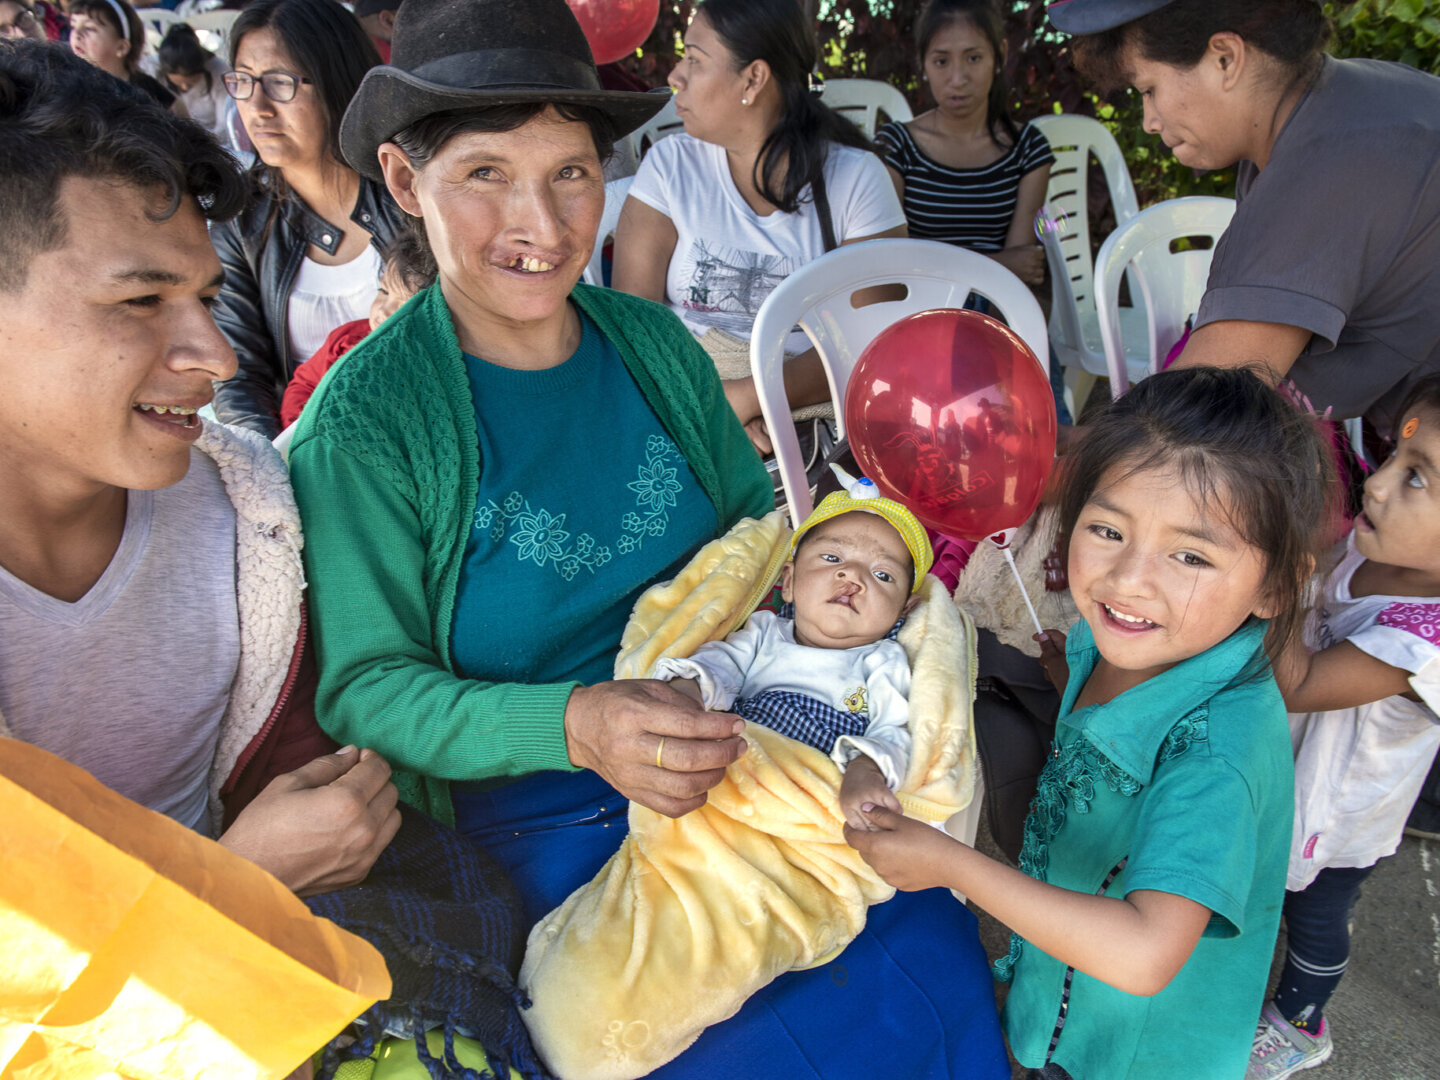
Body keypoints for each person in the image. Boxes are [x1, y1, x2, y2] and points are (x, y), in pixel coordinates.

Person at [287, 0, 1010, 1075]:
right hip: (543, 801)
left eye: (572, 173)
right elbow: (368, 690)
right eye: (485, 174)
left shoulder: (649, 343)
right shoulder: (368, 424)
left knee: (924, 949)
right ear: (404, 183)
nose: (540, 222)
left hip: (761, 738)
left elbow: (757, 542)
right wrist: (578, 725)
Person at [849, 366, 1337, 1080]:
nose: (1128, 578)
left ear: (1274, 586)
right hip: (1068, 987)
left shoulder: (1214, 758)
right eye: (1107, 529)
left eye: (1191, 555)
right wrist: (1065, 677)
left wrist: (950, 863)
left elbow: (1143, 953)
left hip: (1136, 1053)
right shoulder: (1109, 638)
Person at [0, 37, 398, 900]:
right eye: (141, 300)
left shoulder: (247, 519)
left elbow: (298, 790)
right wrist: (233, 885)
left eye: (208, 299)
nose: (217, 358)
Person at [1050, 0, 1440, 437]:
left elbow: (1183, 425)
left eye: (1148, 89)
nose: (1150, 122)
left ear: (1225, 58)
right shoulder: (1355, 97)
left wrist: (1045, 472)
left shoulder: (1318, 175)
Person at [1245, 374, 1440, 1079]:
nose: (1380, 483)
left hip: (1343, 813)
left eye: (1418, 479)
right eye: (1395, 453)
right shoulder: (1382, 549)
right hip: (1294, 770)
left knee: (1316, 913)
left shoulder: (1422, 644)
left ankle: (1302, 1019)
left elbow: (1296, 681)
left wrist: (1282, 581)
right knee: (1265, 881)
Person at [613, 0, 907, 454]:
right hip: (686, 403)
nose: (675, 76)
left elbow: (875, 337)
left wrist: (749, 398)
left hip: (815, 414)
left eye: (694, 59)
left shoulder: (856, 179)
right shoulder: (671, 168)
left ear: (753, 79)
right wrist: (714, 407)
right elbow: (633, 330)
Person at [654, 474, 934, 830]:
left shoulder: (882, 661)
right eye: (832, 557)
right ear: (788, 582)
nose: (852, 575)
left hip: (812, 801)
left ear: (903, 610)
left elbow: (892, 728)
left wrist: (865, 770)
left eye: (882, 575)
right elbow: (721, 663)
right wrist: (688, 689)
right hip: (736, 776)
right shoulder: (764, 633)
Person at [209, 0, 405, 438]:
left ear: (339, 82)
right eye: (242, 81)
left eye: (280, 83)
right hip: (301, 444)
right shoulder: (242, 220)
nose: (257, 107)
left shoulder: (409, 191)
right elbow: (239, 376)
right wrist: (271, 469)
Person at [875, 0, 1052, 287]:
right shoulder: (896, 147)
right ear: (922, 63)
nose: (958, 79)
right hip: (916, 314)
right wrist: (1001, 263)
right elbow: (889, 267)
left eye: (973, 58)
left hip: (998, 314)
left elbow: (1021, 278)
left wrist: (934, 266)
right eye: (941, 61)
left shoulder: (1028, 150)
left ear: (1000, 55)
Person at [279, 227, 434, 428]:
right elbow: (304, 385)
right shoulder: (347, 339)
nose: (383, 310)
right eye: (384, 291)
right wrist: (297, 430)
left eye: (404, 303)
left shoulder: (426, 369)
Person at [67, 0, 179, 111]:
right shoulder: (68, 86)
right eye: (73, 26)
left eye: (89, 28)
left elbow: (180, 117)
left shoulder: (148, 95)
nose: (76, 35)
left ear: (121, 47)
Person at [157, 22, 234, 140]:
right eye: (178, 83)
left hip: (212, 138)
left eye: (191, 83)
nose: (184, 87)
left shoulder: (220, 73)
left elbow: (224, 127)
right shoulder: (153, 68)